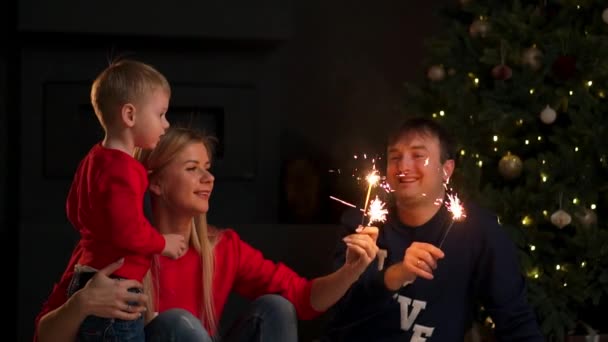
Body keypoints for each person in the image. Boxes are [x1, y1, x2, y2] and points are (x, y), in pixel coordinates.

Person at [34, 126, 380, 342]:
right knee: (177, 324)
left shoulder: (223, 247)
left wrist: (351, 270)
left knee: (277, 308)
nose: (208, 179)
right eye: (191, 169)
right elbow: (42, 336)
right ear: (154, 183)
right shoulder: (112, 249)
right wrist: (82, 304)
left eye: (208, 169)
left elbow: (304, 300)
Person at [322, 117, 544, 341]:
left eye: (418, 156)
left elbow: (516, 321)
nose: (403, 167)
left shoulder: (479, 232)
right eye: (395, 157)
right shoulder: (362, 226)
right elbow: (337, 315)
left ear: (446, 170)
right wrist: (392, 276)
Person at [63, 59, 187, 341]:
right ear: (130, 115)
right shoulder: (127, 169)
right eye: (161, 114)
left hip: (87, 277)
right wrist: (163, 243)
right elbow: (128, 229)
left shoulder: (93, 158)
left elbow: (73, 210)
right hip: (117, 289)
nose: (166, 124)